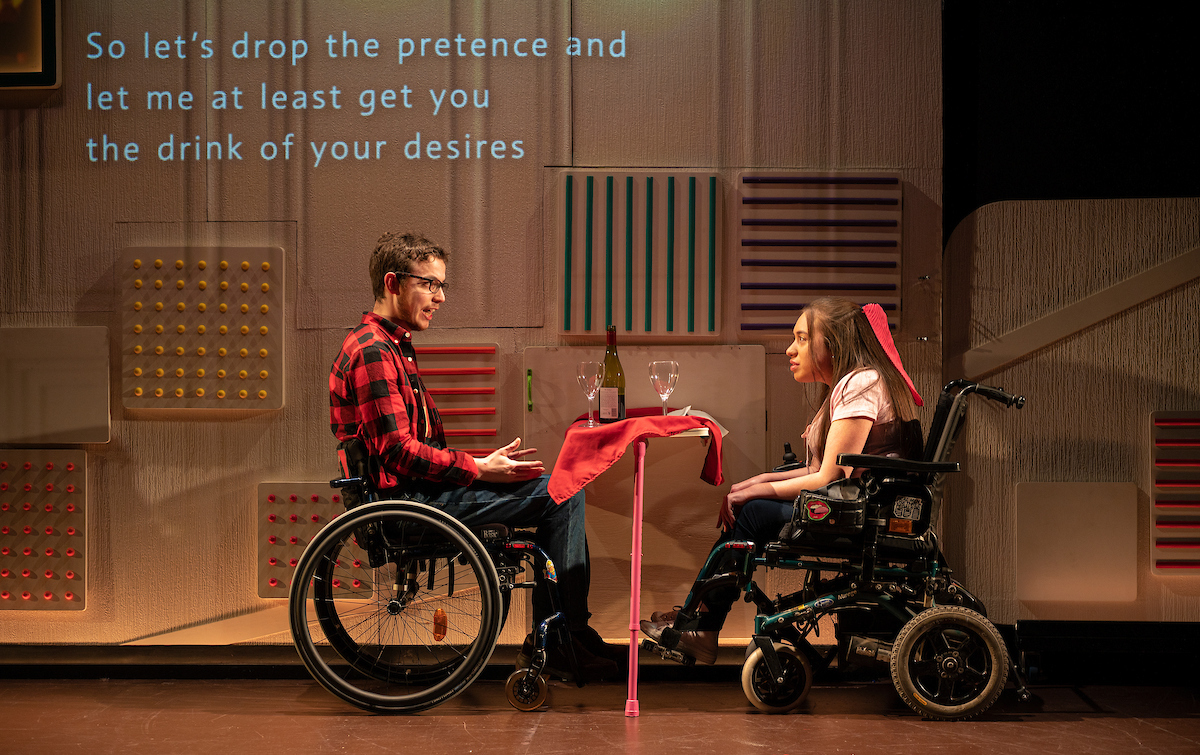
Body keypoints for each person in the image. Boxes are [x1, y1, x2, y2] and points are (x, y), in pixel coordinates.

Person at [329, 231, 622, 680]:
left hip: (420, 493)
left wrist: (483, 468)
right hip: (407, 507)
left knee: (562, 484)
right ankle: (565, 639)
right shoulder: (373, 351)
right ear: (393, 283)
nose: (440, 297)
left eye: (442, 285)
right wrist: (478, 468)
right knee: (561, 494)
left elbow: (411, 449)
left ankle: (565, 635)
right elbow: (398, 452)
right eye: (429, 284)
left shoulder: (390, 346)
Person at [639, 297, 922, 664]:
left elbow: (828, 476)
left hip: (863, 514)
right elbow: (814, 471)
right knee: (748, 503)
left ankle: (703, 627)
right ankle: (701, 622)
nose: (790, 349)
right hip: (853, 504)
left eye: (802, 339)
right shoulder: (847, 385)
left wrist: (750, 494)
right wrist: (746, 485)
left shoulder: (861, 382)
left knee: (752, 512)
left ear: (832, 343)